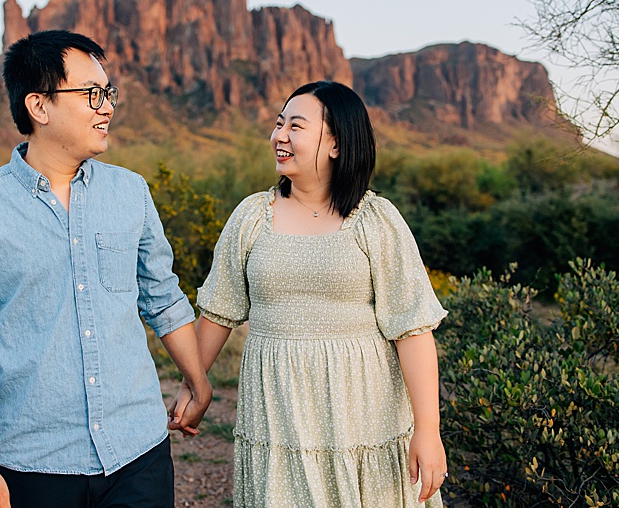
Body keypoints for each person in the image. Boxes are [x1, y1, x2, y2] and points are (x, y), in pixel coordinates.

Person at [0, 30, 212, 508]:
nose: (107, 107)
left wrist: (199, 382)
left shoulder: (131, 192)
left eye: (109, 93)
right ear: (39, 107)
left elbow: (162, 297)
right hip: (33, 464)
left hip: (138, 454)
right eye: (91, 94)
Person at [169, 80, 449, 506]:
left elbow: (412, 331)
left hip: (364, 416)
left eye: (295, 126)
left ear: (336, 143)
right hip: (277, 416)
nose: (279, 136)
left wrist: (428, 431)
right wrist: (194, 386)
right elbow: (218, 313)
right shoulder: (251, 216)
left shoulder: (376, 220)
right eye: (278, 124)